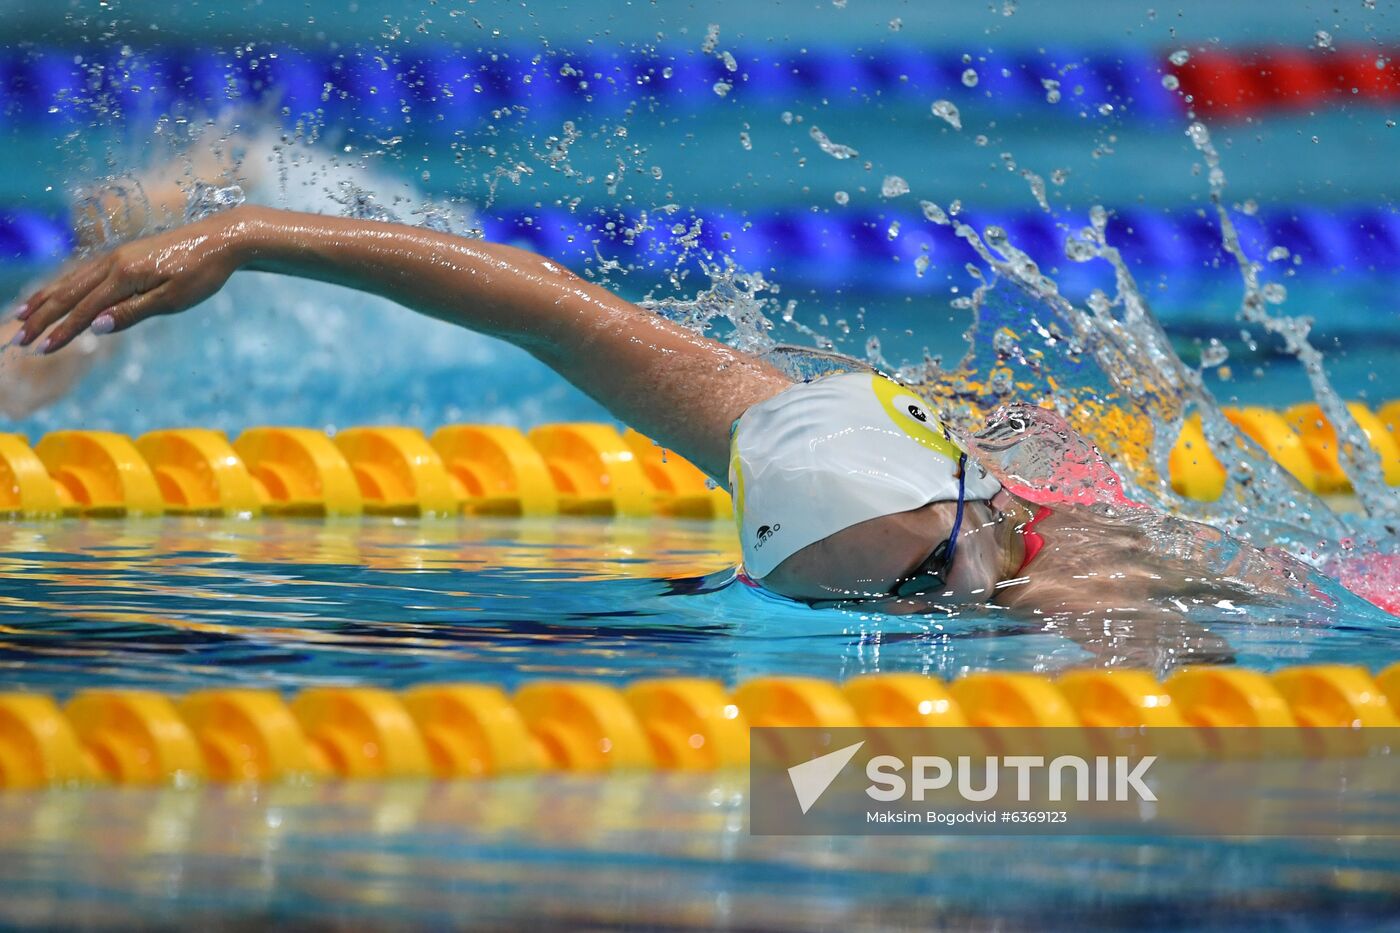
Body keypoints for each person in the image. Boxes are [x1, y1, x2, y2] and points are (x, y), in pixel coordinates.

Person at [10, 204, 1325, 666]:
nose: (948, 601)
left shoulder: (1089, 600)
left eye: (930, 573)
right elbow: (548, 309)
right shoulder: (787, 438)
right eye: (882, 596)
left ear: (976, 502)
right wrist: (244, 234)